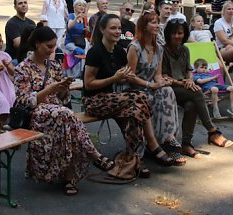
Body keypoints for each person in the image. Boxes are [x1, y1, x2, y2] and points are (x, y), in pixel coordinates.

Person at [15, 25, 114, 195]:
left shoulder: (54, 66)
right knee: (67, 116)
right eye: (49, 46)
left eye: (54, 46)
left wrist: (63, 88)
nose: (52, 50)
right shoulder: (22, 69)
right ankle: (92, 158)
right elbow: (23, 100)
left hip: (59, 113)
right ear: (37, 44)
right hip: (37, 114)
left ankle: (69, 177)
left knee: (66, 121)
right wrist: (49, 89)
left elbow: (62, 99)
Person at [82, 14, 167, 174]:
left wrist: (123, 77)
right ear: (102, 30)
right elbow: (88, 84)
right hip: (94, 101)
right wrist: (114, 78)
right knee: (140, 97)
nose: (117, 31)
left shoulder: (119, 52)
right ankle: (152, 144)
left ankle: (134, 159)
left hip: (113, 98)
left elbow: (123, 78)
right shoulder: (95, 52)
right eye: (113, 28)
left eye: (119, 28)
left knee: (134, 113)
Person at [162, 19, 233, 156]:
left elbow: (189, 69)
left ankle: (186, 144)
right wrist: (182, 83)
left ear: (184, 34)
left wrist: (190, 79)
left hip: (184, 87)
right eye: (173, 33)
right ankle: (212, 131)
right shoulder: (163, 50)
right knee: (197, 92)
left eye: (180, 33)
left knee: (191, 105)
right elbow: (164, 76)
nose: (177, 36)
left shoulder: (185, 49)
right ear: (168, 34)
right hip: (168, 87)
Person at [126, 11, 186, 164]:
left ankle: (168, 138)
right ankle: (154, 144)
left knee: (167, 91)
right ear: (144, 26)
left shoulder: (158, 48)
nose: (157, 25)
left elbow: (157, 75)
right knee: (149, 97)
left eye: (158, 22)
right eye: (153, 22)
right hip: (134, 88)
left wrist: (162, 82)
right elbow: (130, 76)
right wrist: (150, 84)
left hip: (150, 86)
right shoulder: (134, 47)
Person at [5, 0, 36, 64]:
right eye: (20, 3)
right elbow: (18, 44)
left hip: (29, 57)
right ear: (15, 7)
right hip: (15, 59)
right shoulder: (12, 23)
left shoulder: (31, 23)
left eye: (25, 3)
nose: (23, 5)